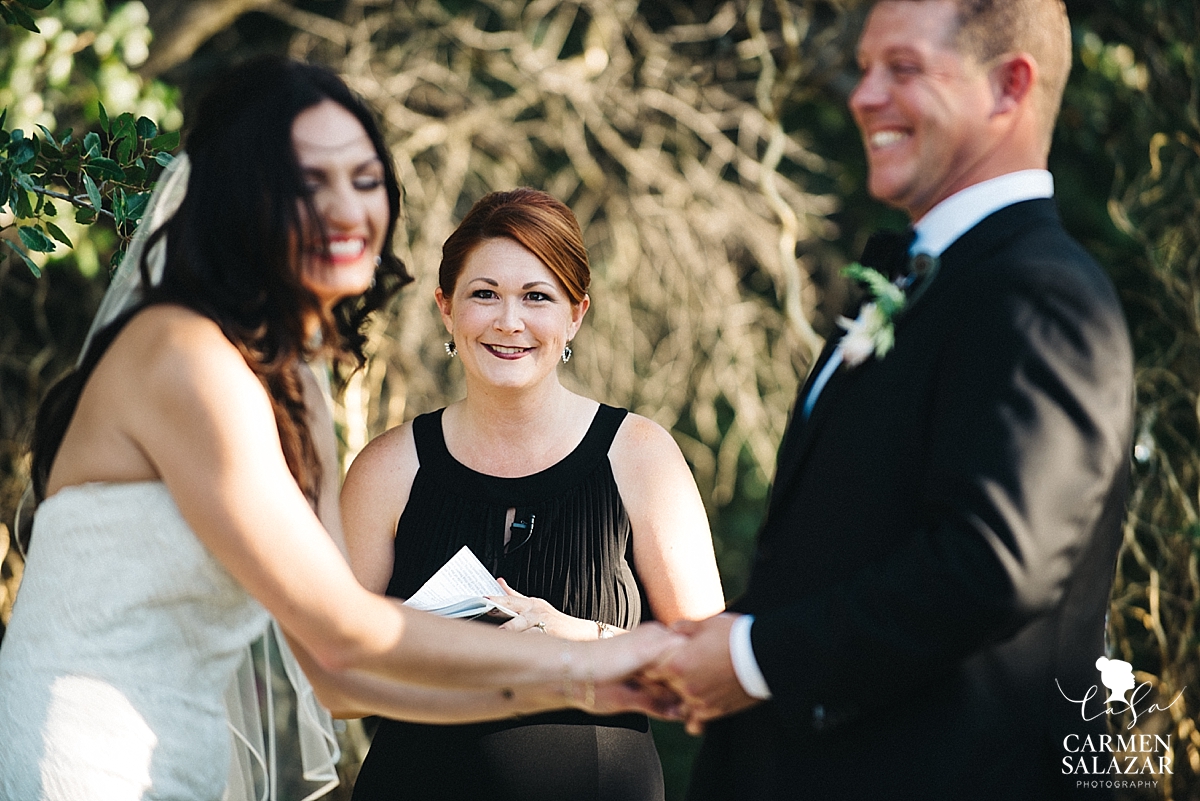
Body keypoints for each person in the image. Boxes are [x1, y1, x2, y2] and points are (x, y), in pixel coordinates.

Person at [0, 57, 683, 801]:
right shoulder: (180, 352)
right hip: (84, 763)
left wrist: (582, 686)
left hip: (181, 764)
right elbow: (344, 632)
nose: (347, 207)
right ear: (242, 197)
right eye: (310, 182)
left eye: (364, 179)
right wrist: (591, 660)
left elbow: (334, 671)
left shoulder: (290, 384)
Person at [644, 1, 1135, 798]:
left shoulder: (1041, 293)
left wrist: (754, 659)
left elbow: (995, 563)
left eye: (901, 69)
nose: (863, 95)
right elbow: (853, 545)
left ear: (1009, 86)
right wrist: (714, 644)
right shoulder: (928, 280)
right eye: (866, 68)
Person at [340, 187, 726, 801]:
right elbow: (333, 683)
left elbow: (710, 667)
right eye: (484, 294)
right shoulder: (386, 469)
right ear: (446, 307)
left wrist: (572, 638)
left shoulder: (640, 456)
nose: (509, 321)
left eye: (537, 297)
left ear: (576, 313)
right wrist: (423, 641)